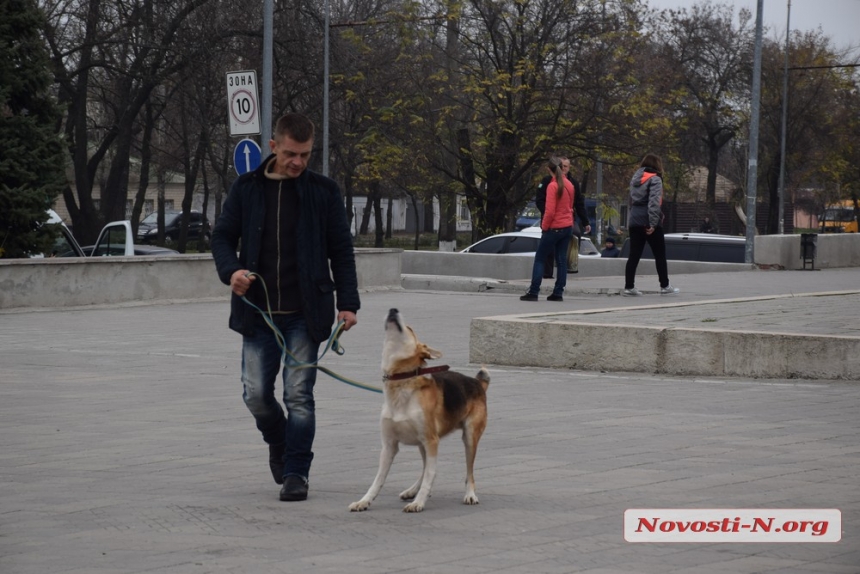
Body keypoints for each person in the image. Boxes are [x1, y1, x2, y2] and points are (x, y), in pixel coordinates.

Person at [211, 113, 360, 502]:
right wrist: (232, 272)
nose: (298, 162)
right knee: (256, 395)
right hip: (257, 313)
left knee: (298, 395)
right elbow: (222, 238)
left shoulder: (324, 192)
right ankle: (279, 441)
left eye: (306, 155)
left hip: (305, 313)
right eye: (291, 154)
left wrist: (348, 304)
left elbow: (341, 251)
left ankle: (296, 472)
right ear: (273, 147)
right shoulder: (246, 188)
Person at [622, 153, 679, 297]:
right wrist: (653, 223)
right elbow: (653, 202)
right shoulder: (655, 179)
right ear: (657, 165)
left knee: (634, 255)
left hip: (634, 219)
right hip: (648, 220)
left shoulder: (635, 179)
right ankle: (665, 285)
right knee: (659, 254)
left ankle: (629, 286)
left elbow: (631, 201)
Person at [521, 157, 575, 302]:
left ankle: (534, 291)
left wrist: (545, 227)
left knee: (540, 258)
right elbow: (570, 206)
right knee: (561, 260)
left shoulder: (553, 186)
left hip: (554, 227)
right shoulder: (569, 184)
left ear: (549, 170)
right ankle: (558, 292)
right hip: (567, 226)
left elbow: (550, 211)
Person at [535, 155, 591, 277]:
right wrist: (546, 219)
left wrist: (585, 221)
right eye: (562, 166)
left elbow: (578, 203)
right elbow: (540, 201)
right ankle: (547, 274)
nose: (564, 168)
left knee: (574, 235)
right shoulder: (547, 182)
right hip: (551, 220)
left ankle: (571, 265)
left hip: (566, 221)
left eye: (566, 166)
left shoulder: (572, 183)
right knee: (548, 249)